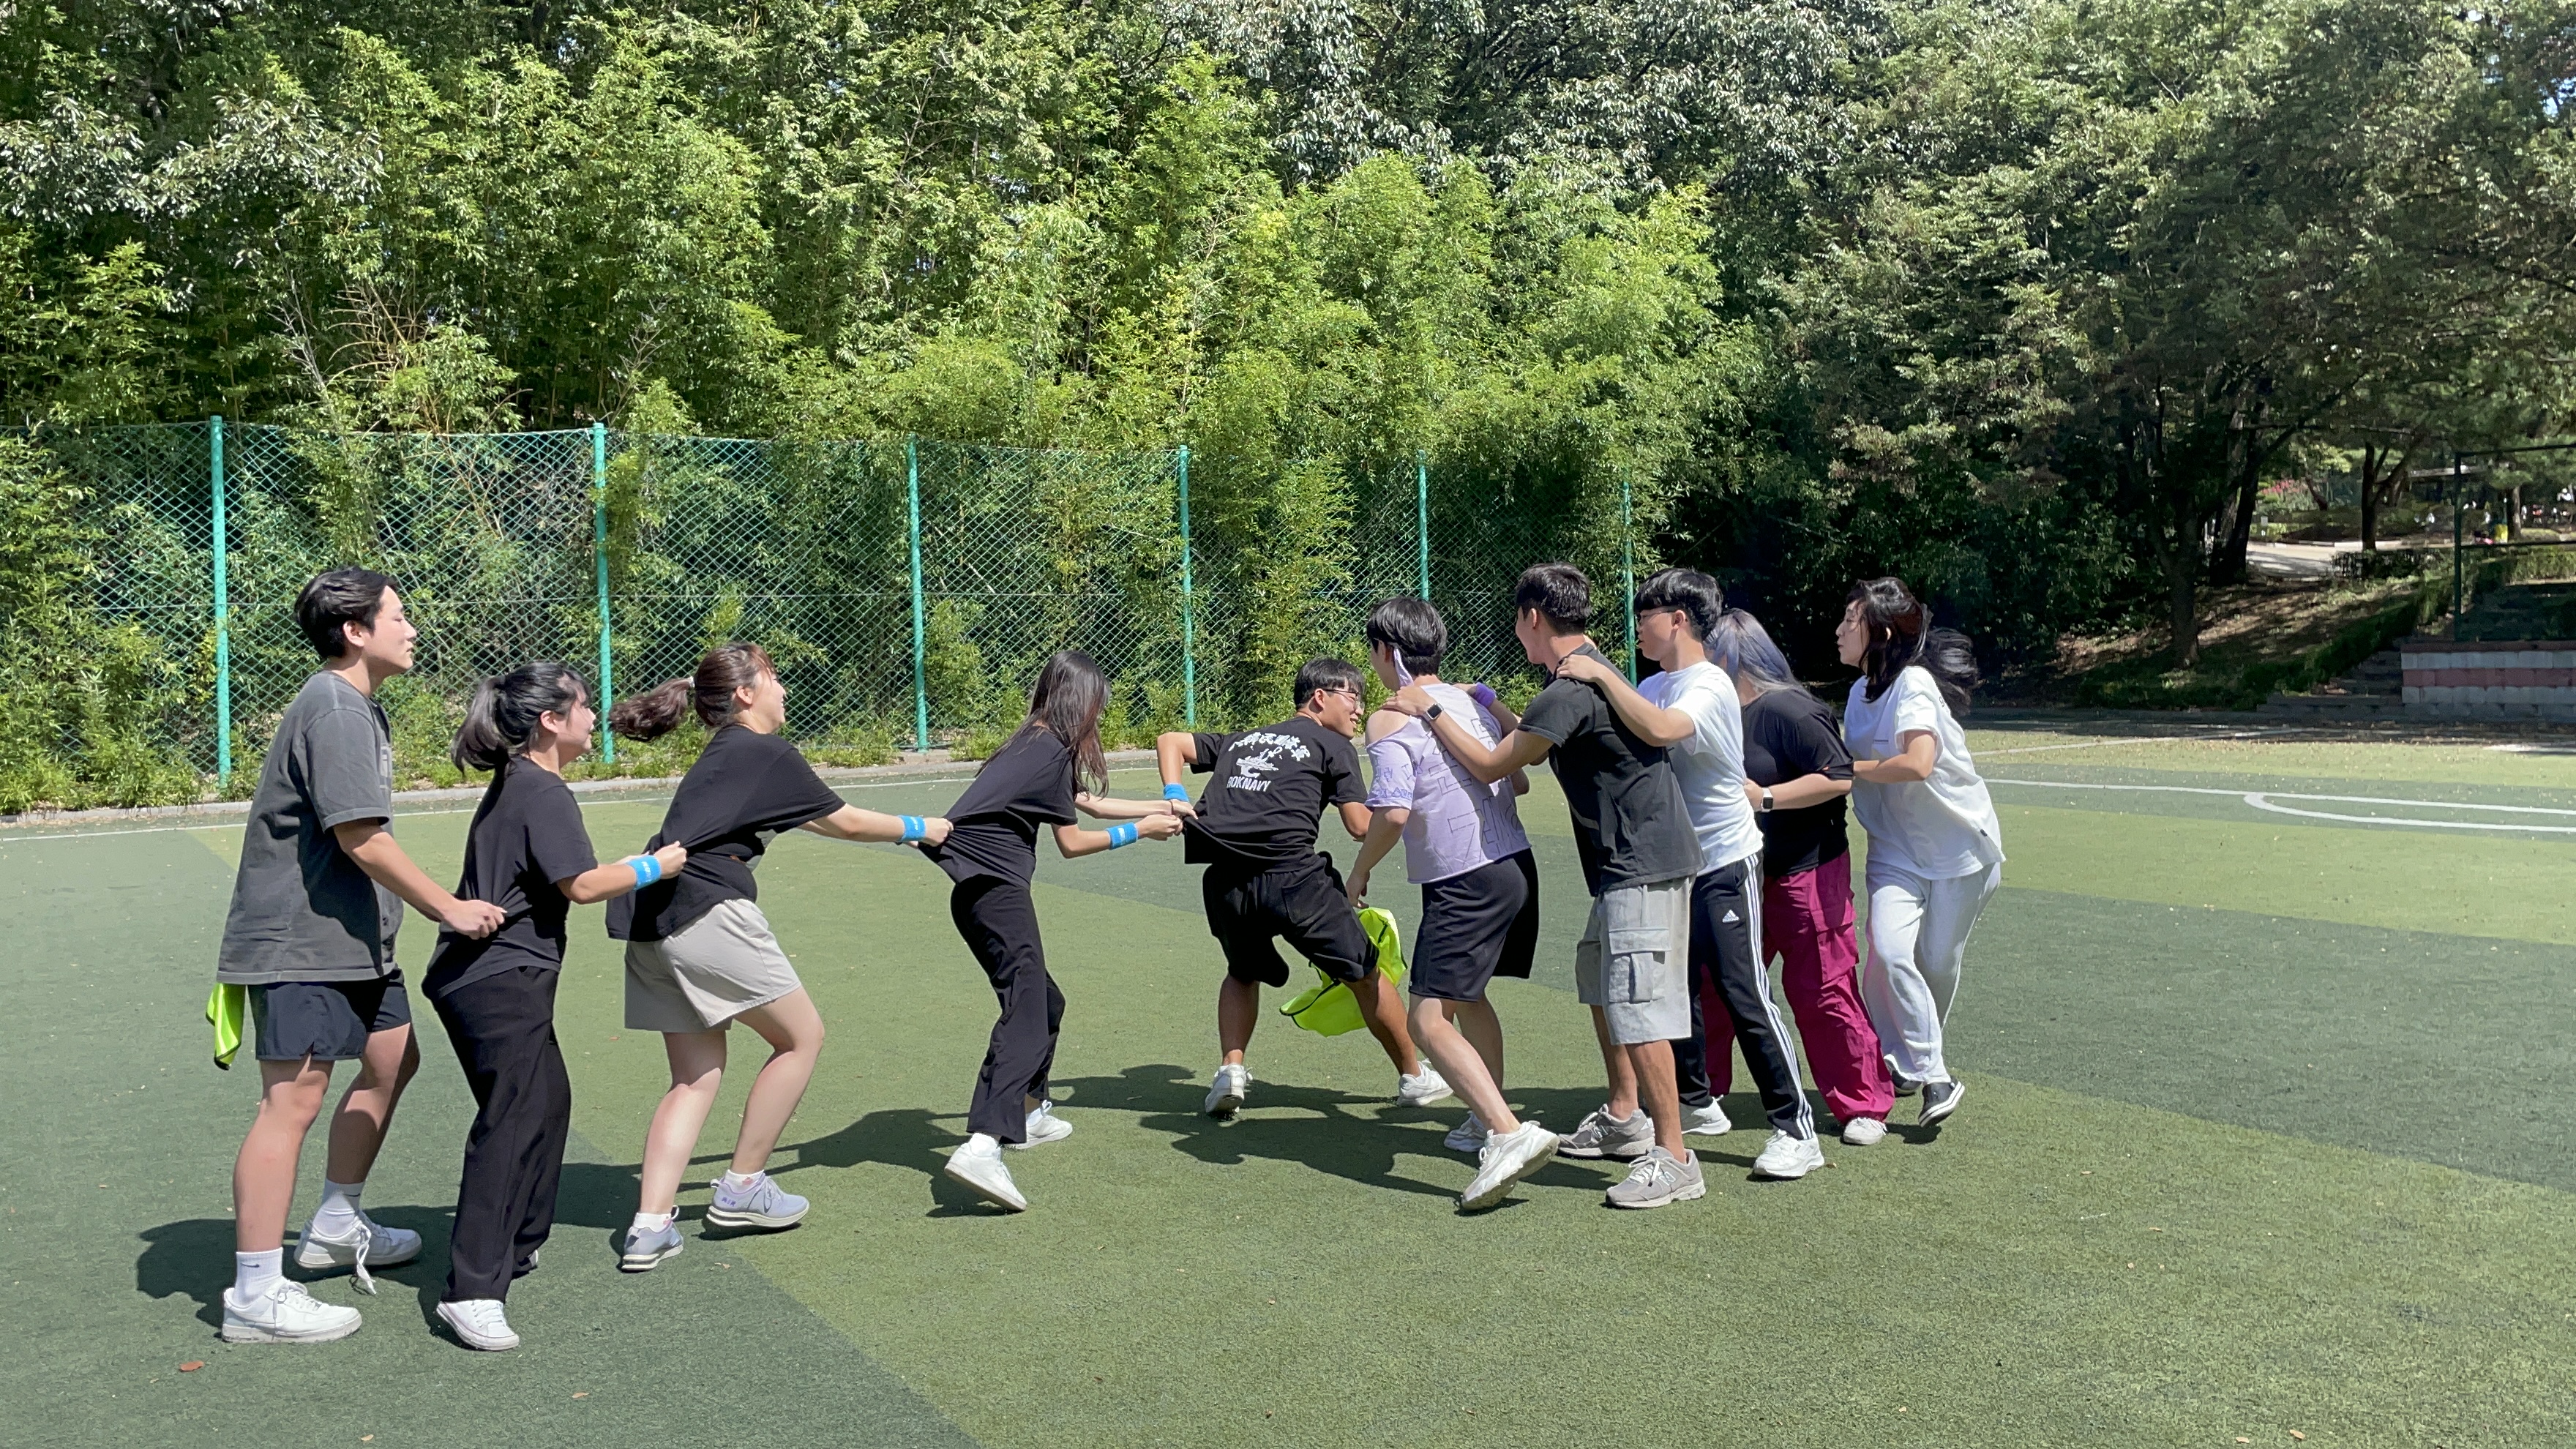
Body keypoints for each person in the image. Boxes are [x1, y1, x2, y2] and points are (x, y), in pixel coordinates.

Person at [215, 568, 509, 1345]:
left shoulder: (357, 707)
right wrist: (447, 907)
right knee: (291, 1103)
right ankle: (255, 1293)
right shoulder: (335, 709)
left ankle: (336, 1223)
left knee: (392, 1059)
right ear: (356, 630)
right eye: (398, 617)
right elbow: (361, 838)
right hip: (300, 945)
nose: (411, 630)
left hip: (351, 944)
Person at [606, 643, 951, 1270]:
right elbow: (845, 821)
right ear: (745, 694)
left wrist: (905, 829)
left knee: (694, 1077)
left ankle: (649, 1227)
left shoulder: (732, 754)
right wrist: (919, 827)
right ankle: (743, 1187)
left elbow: (814, 818)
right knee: (801, 1038)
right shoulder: (765, 751)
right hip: (706, 912)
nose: (784, 689)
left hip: (652, 921)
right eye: (773, 678)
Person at [1392, 563, 1705, 1210]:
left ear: (1532, 616)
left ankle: (1675, 1158)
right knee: (1600, 980)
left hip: (1642, 865)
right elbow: (1537, 732)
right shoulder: (1580, 675)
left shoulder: (1568, 688)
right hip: (1626, 866)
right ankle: (1625, 1116)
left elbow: (1493, 765)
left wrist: (1431, 709)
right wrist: (1488, 703)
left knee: (1638, 1007)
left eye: (1517, 618)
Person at [424, 663, 687, 1350]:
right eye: (584, 706)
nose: (594, 718)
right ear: (551, 720)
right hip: (497, 982)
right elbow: (582, 885)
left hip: (494, 978)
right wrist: (657, 865)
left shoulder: (520, 780)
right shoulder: (541, 788)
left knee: (547, 1100)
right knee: (510, 1122)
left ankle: (518, 1241)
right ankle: (472, 1290)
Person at [1551, 570, 1824, 1180]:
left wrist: (1601, 673)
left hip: (1725, 858)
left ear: (1678, 619)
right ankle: (1697, 1103)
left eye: (1645, 615)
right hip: (1673, 863)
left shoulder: (1708, 683)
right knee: (1676, 991)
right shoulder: (1653, 682)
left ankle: (1795, 1128)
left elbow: (1663, 729)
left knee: (1742, 989)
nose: (1637, 627)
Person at [926, 651, 1183, 1212]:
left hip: (979, 892)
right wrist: (1143, 830)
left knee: (1046, 1002)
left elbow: (1088, 806)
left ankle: (1028, 1112)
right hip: (994, 892)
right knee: (1026, 1011)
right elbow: (1072, 842)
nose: (1099, 717)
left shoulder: (1034, 742)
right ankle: (984, 1143)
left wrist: (1165, 806)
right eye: (1097, 706)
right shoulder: (1048, 751)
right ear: (1080, 702)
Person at [1156, 657, 1445, 1119]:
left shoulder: (1244, 739)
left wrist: (1175, 793)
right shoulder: (1333, 745)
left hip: (1227, 883)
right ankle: (1414, 1076)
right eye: (1353, 697)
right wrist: (1407, 808)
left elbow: (1170, 741)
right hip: (1294, 881)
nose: (1358, 709)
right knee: (1366, 973)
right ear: (1320, 697)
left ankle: (1231, 1070)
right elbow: (1359, 825)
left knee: (1241, 973)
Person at [1345, 599, 1561, 1211]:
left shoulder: (1388, 719)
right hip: (1515, 866)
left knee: (1427, 1020)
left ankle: (1507, 1132)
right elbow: (1518, 780)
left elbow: (1392, 812)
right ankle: (1484, 1114)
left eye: (1373, 651)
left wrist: (1360, 870)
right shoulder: (1472, 704)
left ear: (1388, 652)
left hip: (1465, 879)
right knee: (1467, 997)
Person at [1703, 609, 1891, 1145]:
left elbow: (1838, 777)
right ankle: (1702, 1093)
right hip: (1742, 871)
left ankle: (1863, 1103)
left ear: (1731, 655)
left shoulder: (1791, 709)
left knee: (1821, 988)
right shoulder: (1717, 711)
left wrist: (1765, 797)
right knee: (1717, 985)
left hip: (1807, 869)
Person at [1837, 579, 2004, 1128]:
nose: (1839, 631)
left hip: (1960, 848)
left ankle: (1910, 1062)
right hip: (1895, 849)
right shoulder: (1857, 695)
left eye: (1850, 621)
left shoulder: (1914, 684)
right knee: (1887, 952)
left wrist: (1847, 770)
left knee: (1935, 962)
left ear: (1881, 634)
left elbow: (1918, 762)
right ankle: (1933, 1074)